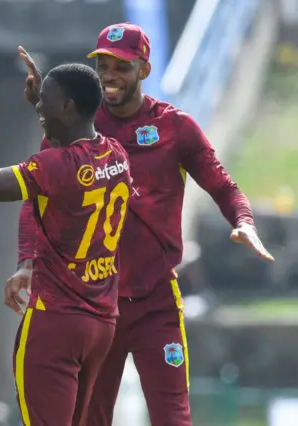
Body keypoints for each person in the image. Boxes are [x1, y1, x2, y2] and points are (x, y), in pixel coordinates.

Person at [14, 23, 275, 426]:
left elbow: (224, 186)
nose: (109, 77)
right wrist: (26, 261)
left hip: (157, 304)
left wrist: (244, 222)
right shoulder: (79, 126)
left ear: (145, 69)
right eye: (102, 66)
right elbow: (37, 197)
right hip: (98, 306)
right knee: (90, 419)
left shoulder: (175, 127)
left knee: (174, 418)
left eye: (121, 67)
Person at [0, 57, 131, 426]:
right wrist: (27, 262)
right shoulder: (116, 155)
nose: (38, 106)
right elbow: (60, 154)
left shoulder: (55, 166)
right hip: (101, 324)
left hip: (56, 322)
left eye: (46, 100)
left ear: (67, 107)